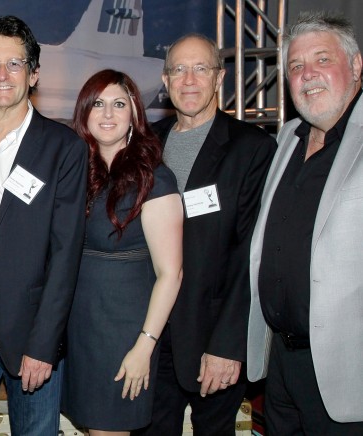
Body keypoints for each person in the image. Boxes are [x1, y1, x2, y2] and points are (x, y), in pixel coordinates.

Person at [0, 16, 88, 435]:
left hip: (31, 329)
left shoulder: (63, 148)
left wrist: (44, 344)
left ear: (34, 73)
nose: (2, 75)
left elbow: (66, 255)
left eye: (15, 63)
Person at [136, 34, 276, 435]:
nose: (189, 79)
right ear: (165, 79)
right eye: (179, 69)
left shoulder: (250, 148)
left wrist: (228, 346)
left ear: (220, 78)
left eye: (201, 68)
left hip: (210, 338)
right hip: (152, 335)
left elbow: (250, 254)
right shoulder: (147, 143)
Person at [247, 11, 363, 434]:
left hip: (346, 371)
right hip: (281, 362)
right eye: (295, 66)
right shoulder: (286, 140)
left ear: (355, 66)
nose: (307, 74)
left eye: (322, 60)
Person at [60, 69, 183, 435]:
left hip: (124, 334)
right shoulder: (79, 173)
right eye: (98, 104)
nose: (108, 114)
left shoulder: (155, 179)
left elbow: (171, 274)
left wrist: (144, 347)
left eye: (119, 104)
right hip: (82, 331)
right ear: (84, 113)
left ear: (134, 115)